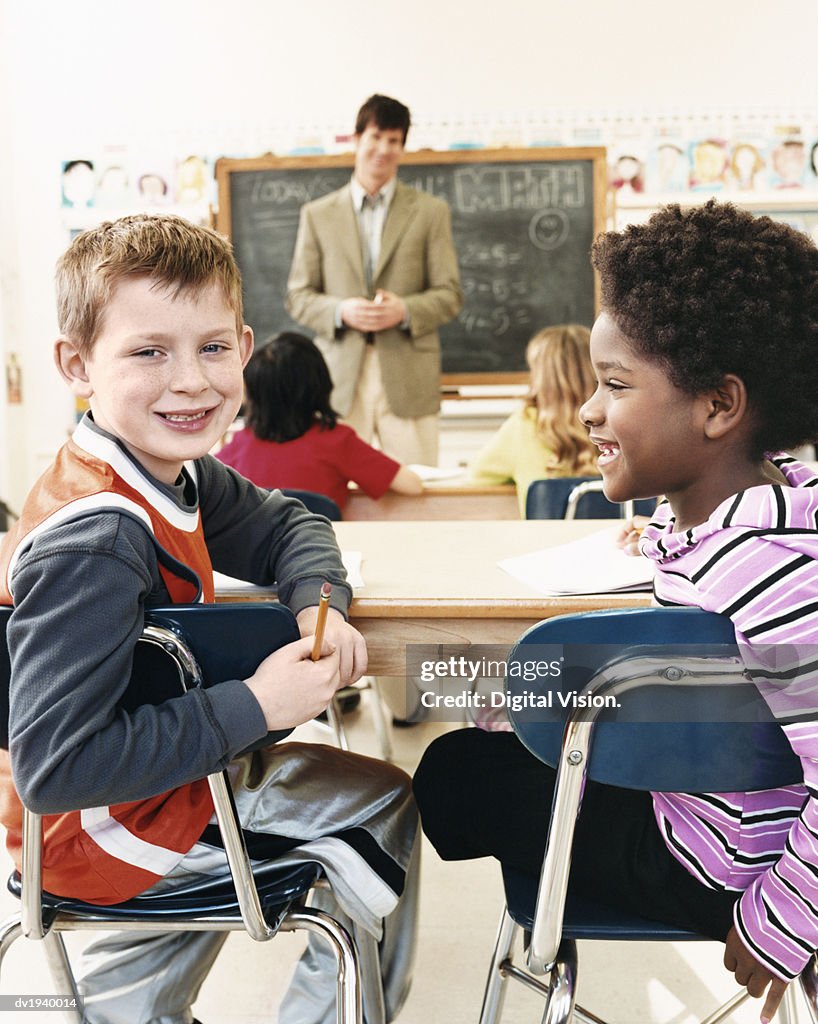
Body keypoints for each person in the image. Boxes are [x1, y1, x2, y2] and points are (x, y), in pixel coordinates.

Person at [0, 214, 419, 1024]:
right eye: (149, 351)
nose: (191, 381)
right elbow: (56, 769)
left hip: (155, 796)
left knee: (342, 796)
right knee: (382, 803)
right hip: (103, 834)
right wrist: (260, 706)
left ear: (247, 348)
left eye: (213, 348)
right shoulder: (96, 537)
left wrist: (314, 609)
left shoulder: (166, 469)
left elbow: (291, 524)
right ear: (76, 363)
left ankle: (135, 1004)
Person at [414, 199, 818, 1024]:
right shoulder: (763, 514)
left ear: (717, 405)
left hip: (720, 866)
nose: (591, 410)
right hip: (710, 815)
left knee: (448, 776)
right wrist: (669, 536)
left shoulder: (766, 578)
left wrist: (780, 924)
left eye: (617, 386)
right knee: (499, 735)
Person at [286, 93, 463, 467]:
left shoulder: (430, 212)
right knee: (337, 493)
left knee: (418, 487)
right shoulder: (318, 215)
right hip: (339, 379)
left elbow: (450, 294)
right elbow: (298, 296)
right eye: (376, 137)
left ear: (402, 147)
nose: (383, 149)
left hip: (408, 375)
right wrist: (340, 310)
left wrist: (405, 311)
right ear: (356, 139)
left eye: (394, 141)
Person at [217, 331, 423, 512]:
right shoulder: (338, 441)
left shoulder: (238, 446)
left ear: (252, 393)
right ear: (319, 385)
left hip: (254, 556)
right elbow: (412, 486)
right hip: (321, 553)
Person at [468, 324, 598, 516]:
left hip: (545, 543)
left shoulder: (524, 426)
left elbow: (476, 476)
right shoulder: (618, 424)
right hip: (617, 543)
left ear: (540, 377)